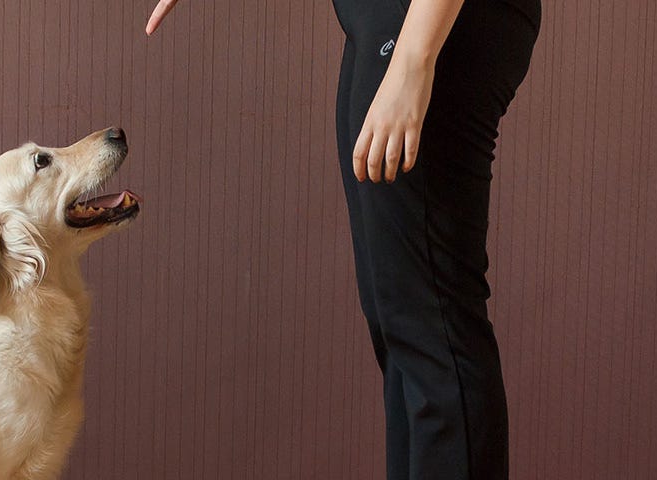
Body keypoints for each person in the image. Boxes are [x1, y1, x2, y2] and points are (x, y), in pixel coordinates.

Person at [146, 0, 541, 479]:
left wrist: (413, 60)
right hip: (383, 23)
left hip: (425, 23)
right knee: (403, 334)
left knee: (433, 334)